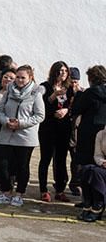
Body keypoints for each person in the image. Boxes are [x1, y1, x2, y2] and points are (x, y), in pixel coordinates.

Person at [0, 65, 45, 207]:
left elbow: (40, 115)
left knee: (22, 166)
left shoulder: (36, 93)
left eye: (23, 78)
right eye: (18, 77)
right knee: (2, 164)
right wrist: (6, 121)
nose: (19, 80)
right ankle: (6, 192)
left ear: (30, 78)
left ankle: (19, 194)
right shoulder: (9, 90)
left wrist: (20, 123)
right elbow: (0, 109)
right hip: (7, 133)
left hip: (25, 136)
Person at [37, 62, 77, 202]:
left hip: (63, 128)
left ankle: (60, 189)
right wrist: (54, 95)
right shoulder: (46, 86)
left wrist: (66, 110)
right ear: (54, 72)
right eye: (60, 70)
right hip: (48, 127)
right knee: (46, 158)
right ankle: (43, 189)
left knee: (60, 160)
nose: (63, 73)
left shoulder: (70, 87)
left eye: (65, 71)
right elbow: (42, 105)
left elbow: (74, 106)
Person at [72, 65, 106, 178]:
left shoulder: (90, 93)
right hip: (103, 130)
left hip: (88, 131)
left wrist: (78, 95)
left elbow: (76, 109)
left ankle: (87, 190)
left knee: (86, 163)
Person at [77, 128, 106, 222]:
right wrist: (102, 162)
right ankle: (88, 204)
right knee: (87, 170)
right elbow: (97, 155)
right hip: (104, 165)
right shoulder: (101, 134)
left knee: (96, 173)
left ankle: (98, 206)